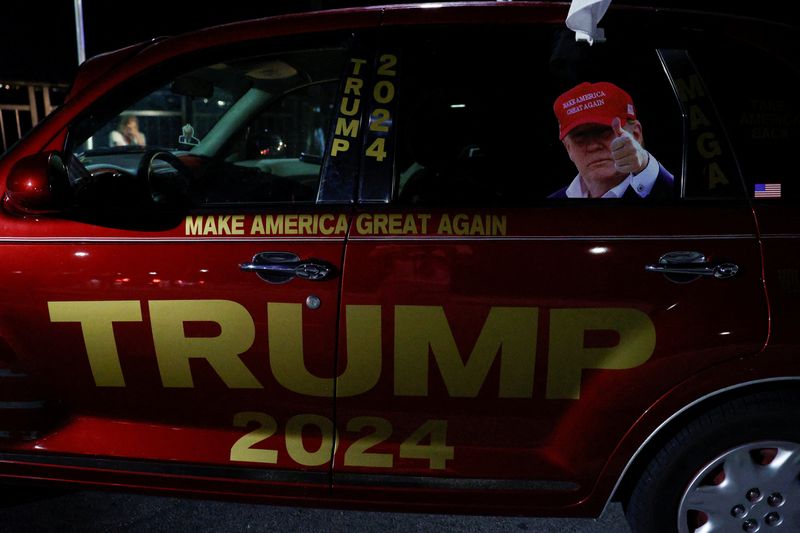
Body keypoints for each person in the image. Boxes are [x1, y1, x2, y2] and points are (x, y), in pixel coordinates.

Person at [549, 81, 673, 198]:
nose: (593, 146)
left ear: (636, 134)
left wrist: (645, 165)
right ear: (568, 148)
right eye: (580, 136)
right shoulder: (549, 211)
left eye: (604, 131)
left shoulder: (675, 191)